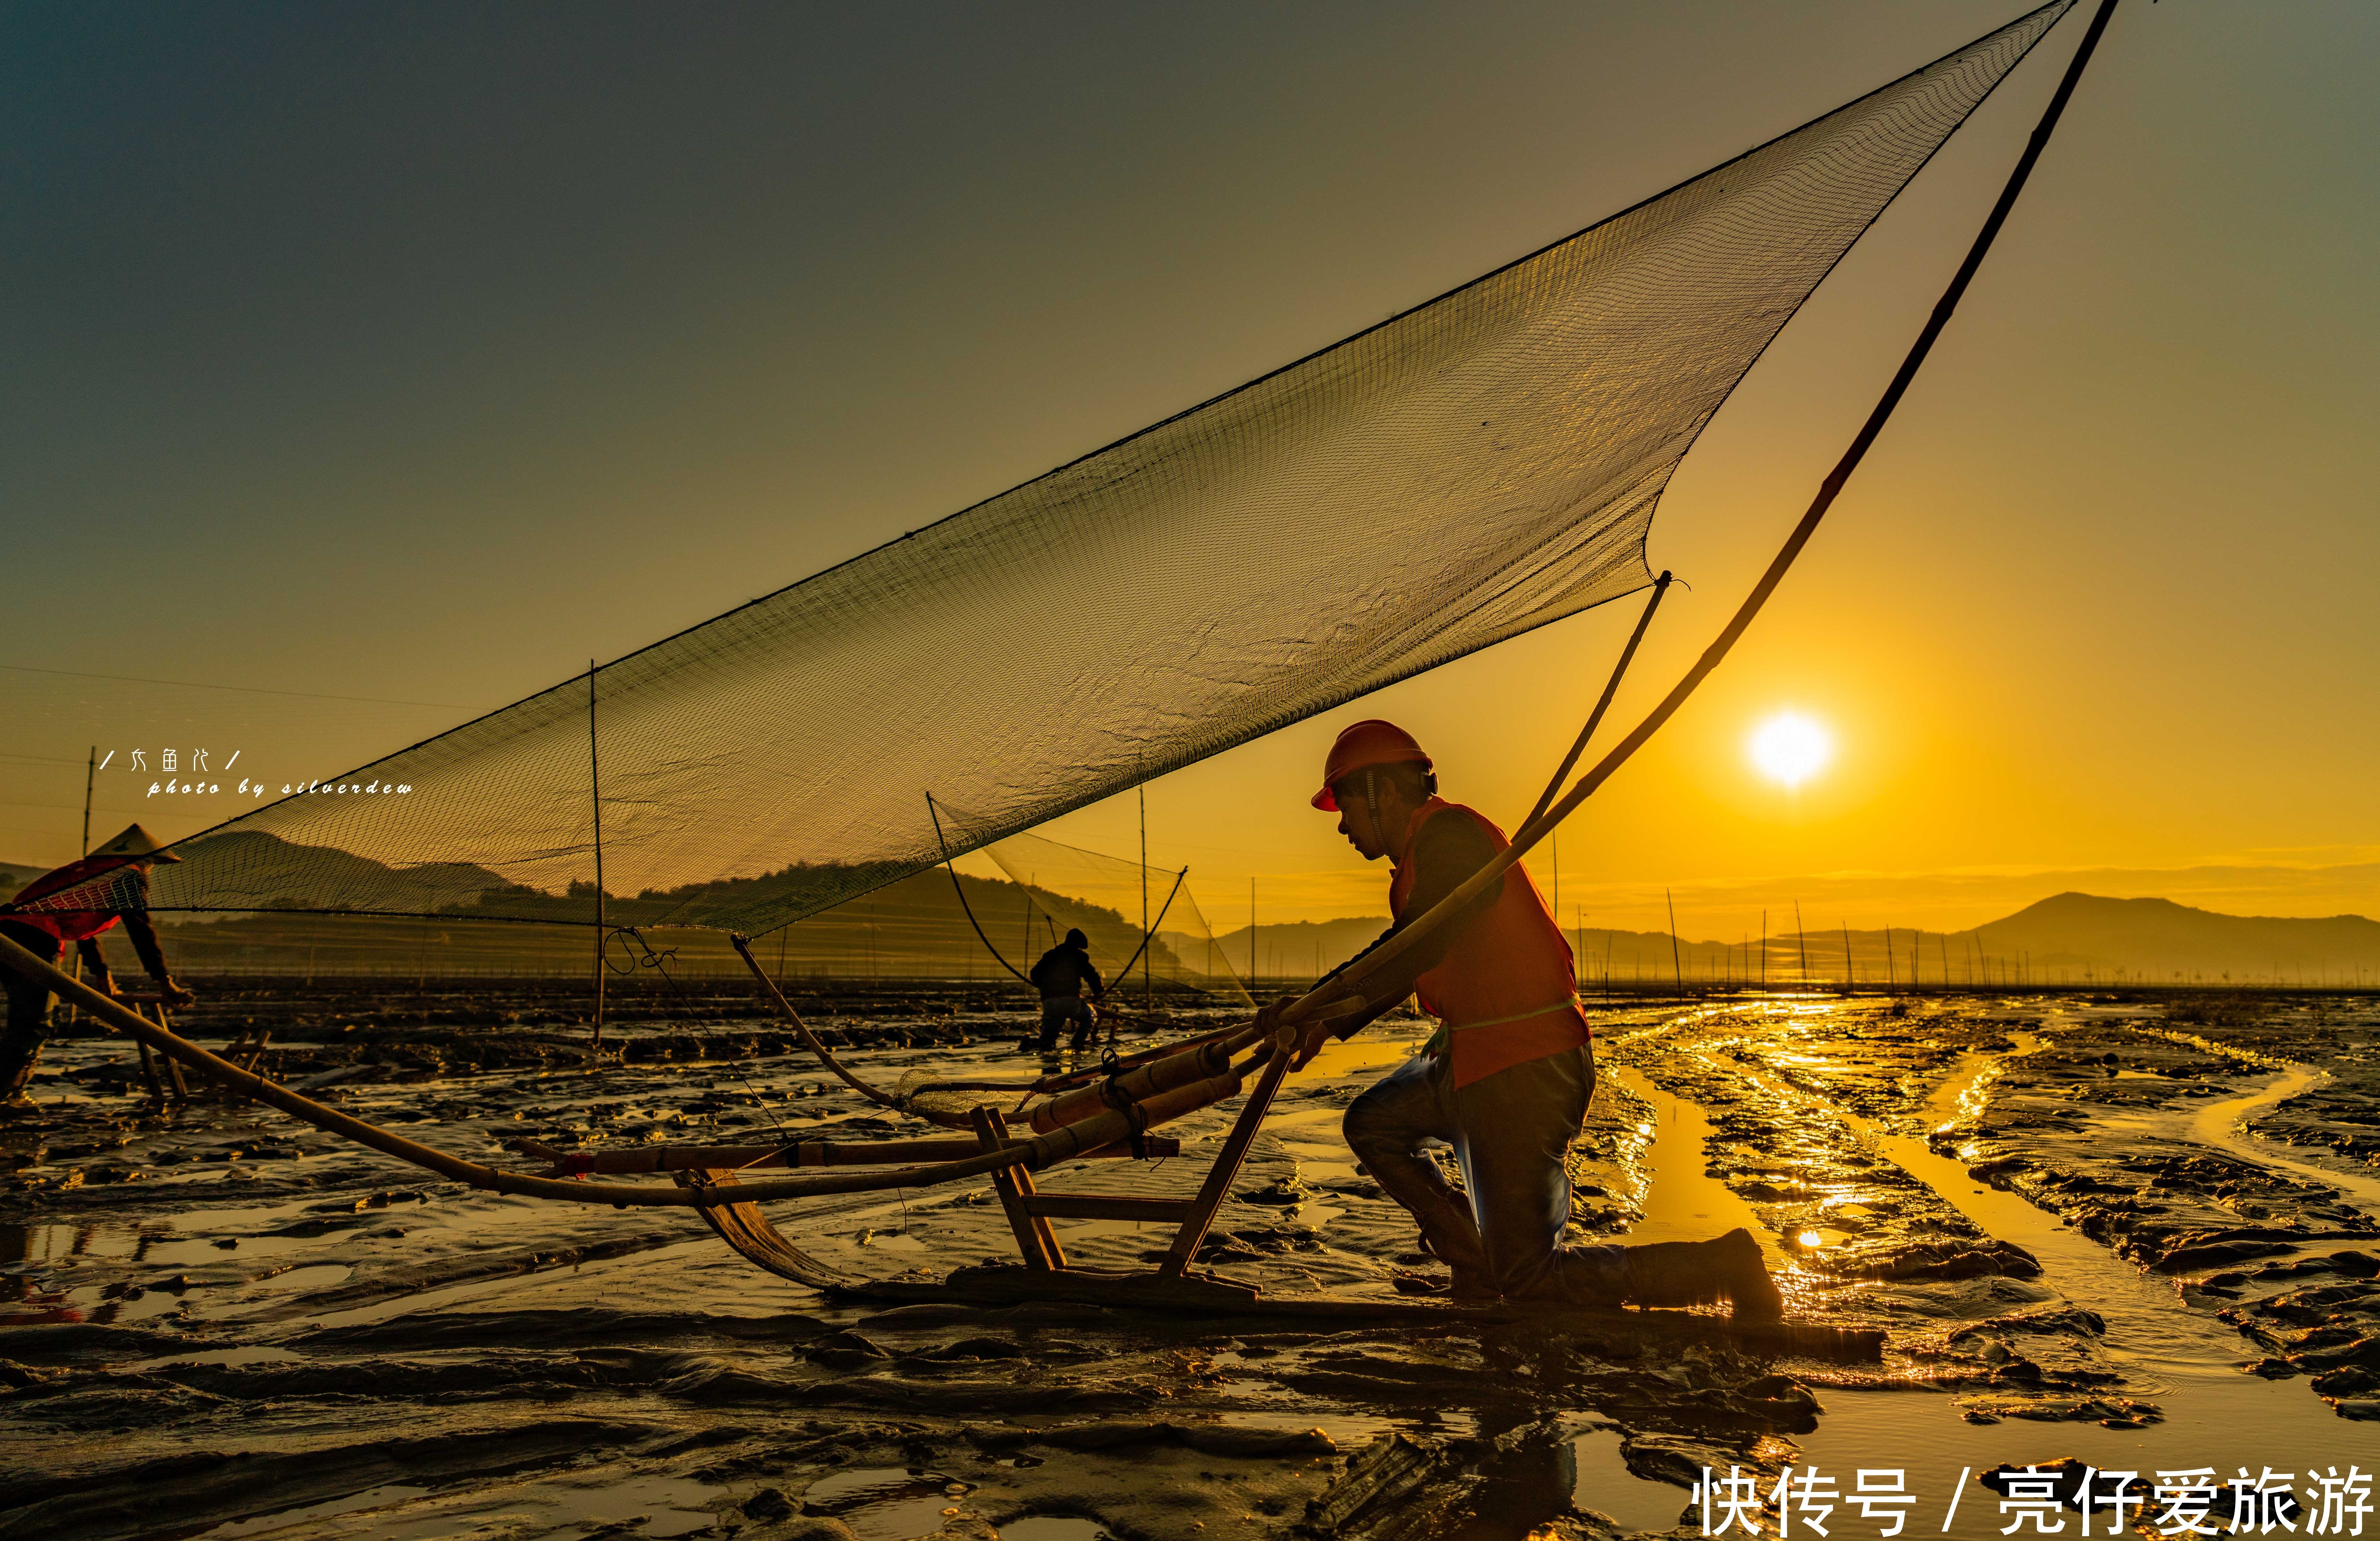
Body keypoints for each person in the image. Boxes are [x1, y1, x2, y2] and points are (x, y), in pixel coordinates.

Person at [1258, 720, 1782, 1316]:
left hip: (1524, 1070)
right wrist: (1313, 1010)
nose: (1342, 823)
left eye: (1344, 803)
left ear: (1379, 792)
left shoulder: (1452, 836)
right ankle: (1473, 1257)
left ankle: (1724, 1266)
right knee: (1374, 1124)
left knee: (1532, 1280)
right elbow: (1412, 951)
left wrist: (1323, 1017)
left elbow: (1420, 944)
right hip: (1475, 1064)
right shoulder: (1421, 859)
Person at [0, 823, 196, 1110]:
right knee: (36, 1021)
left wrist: (103, 978)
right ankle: (8, 1095)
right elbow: (140, 928)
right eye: (151, 865)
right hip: (36, 938)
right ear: (143, 861)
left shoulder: (88, 873)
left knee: (25, 1019)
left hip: (8, 932)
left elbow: (84, 932)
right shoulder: (128, 876)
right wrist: (164, 980)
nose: (150, 871)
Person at [1026, 927, 1105, 1051]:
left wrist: (1044, 985)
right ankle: (1077, 1044)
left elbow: (1035, 974)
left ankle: (1046, 1051)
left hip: (1050, 1001)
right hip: (1071, 1001)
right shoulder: (1079, 957)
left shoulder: (1050, 955)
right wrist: (1099, 991)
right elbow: (1091, 975)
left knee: (1049, 1034)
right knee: (1089, 1017)